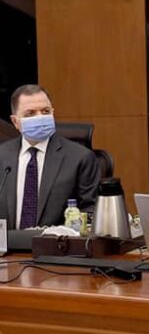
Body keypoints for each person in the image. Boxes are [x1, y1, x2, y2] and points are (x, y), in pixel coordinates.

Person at [0, 85, 99, 229]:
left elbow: (91, 211)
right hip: (8, 242)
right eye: (30, 113)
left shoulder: (80, 158)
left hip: (56, 242)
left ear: (53, 113)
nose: (40, 117)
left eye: (45, 111)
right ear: (15, 122)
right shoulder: (2, 155)